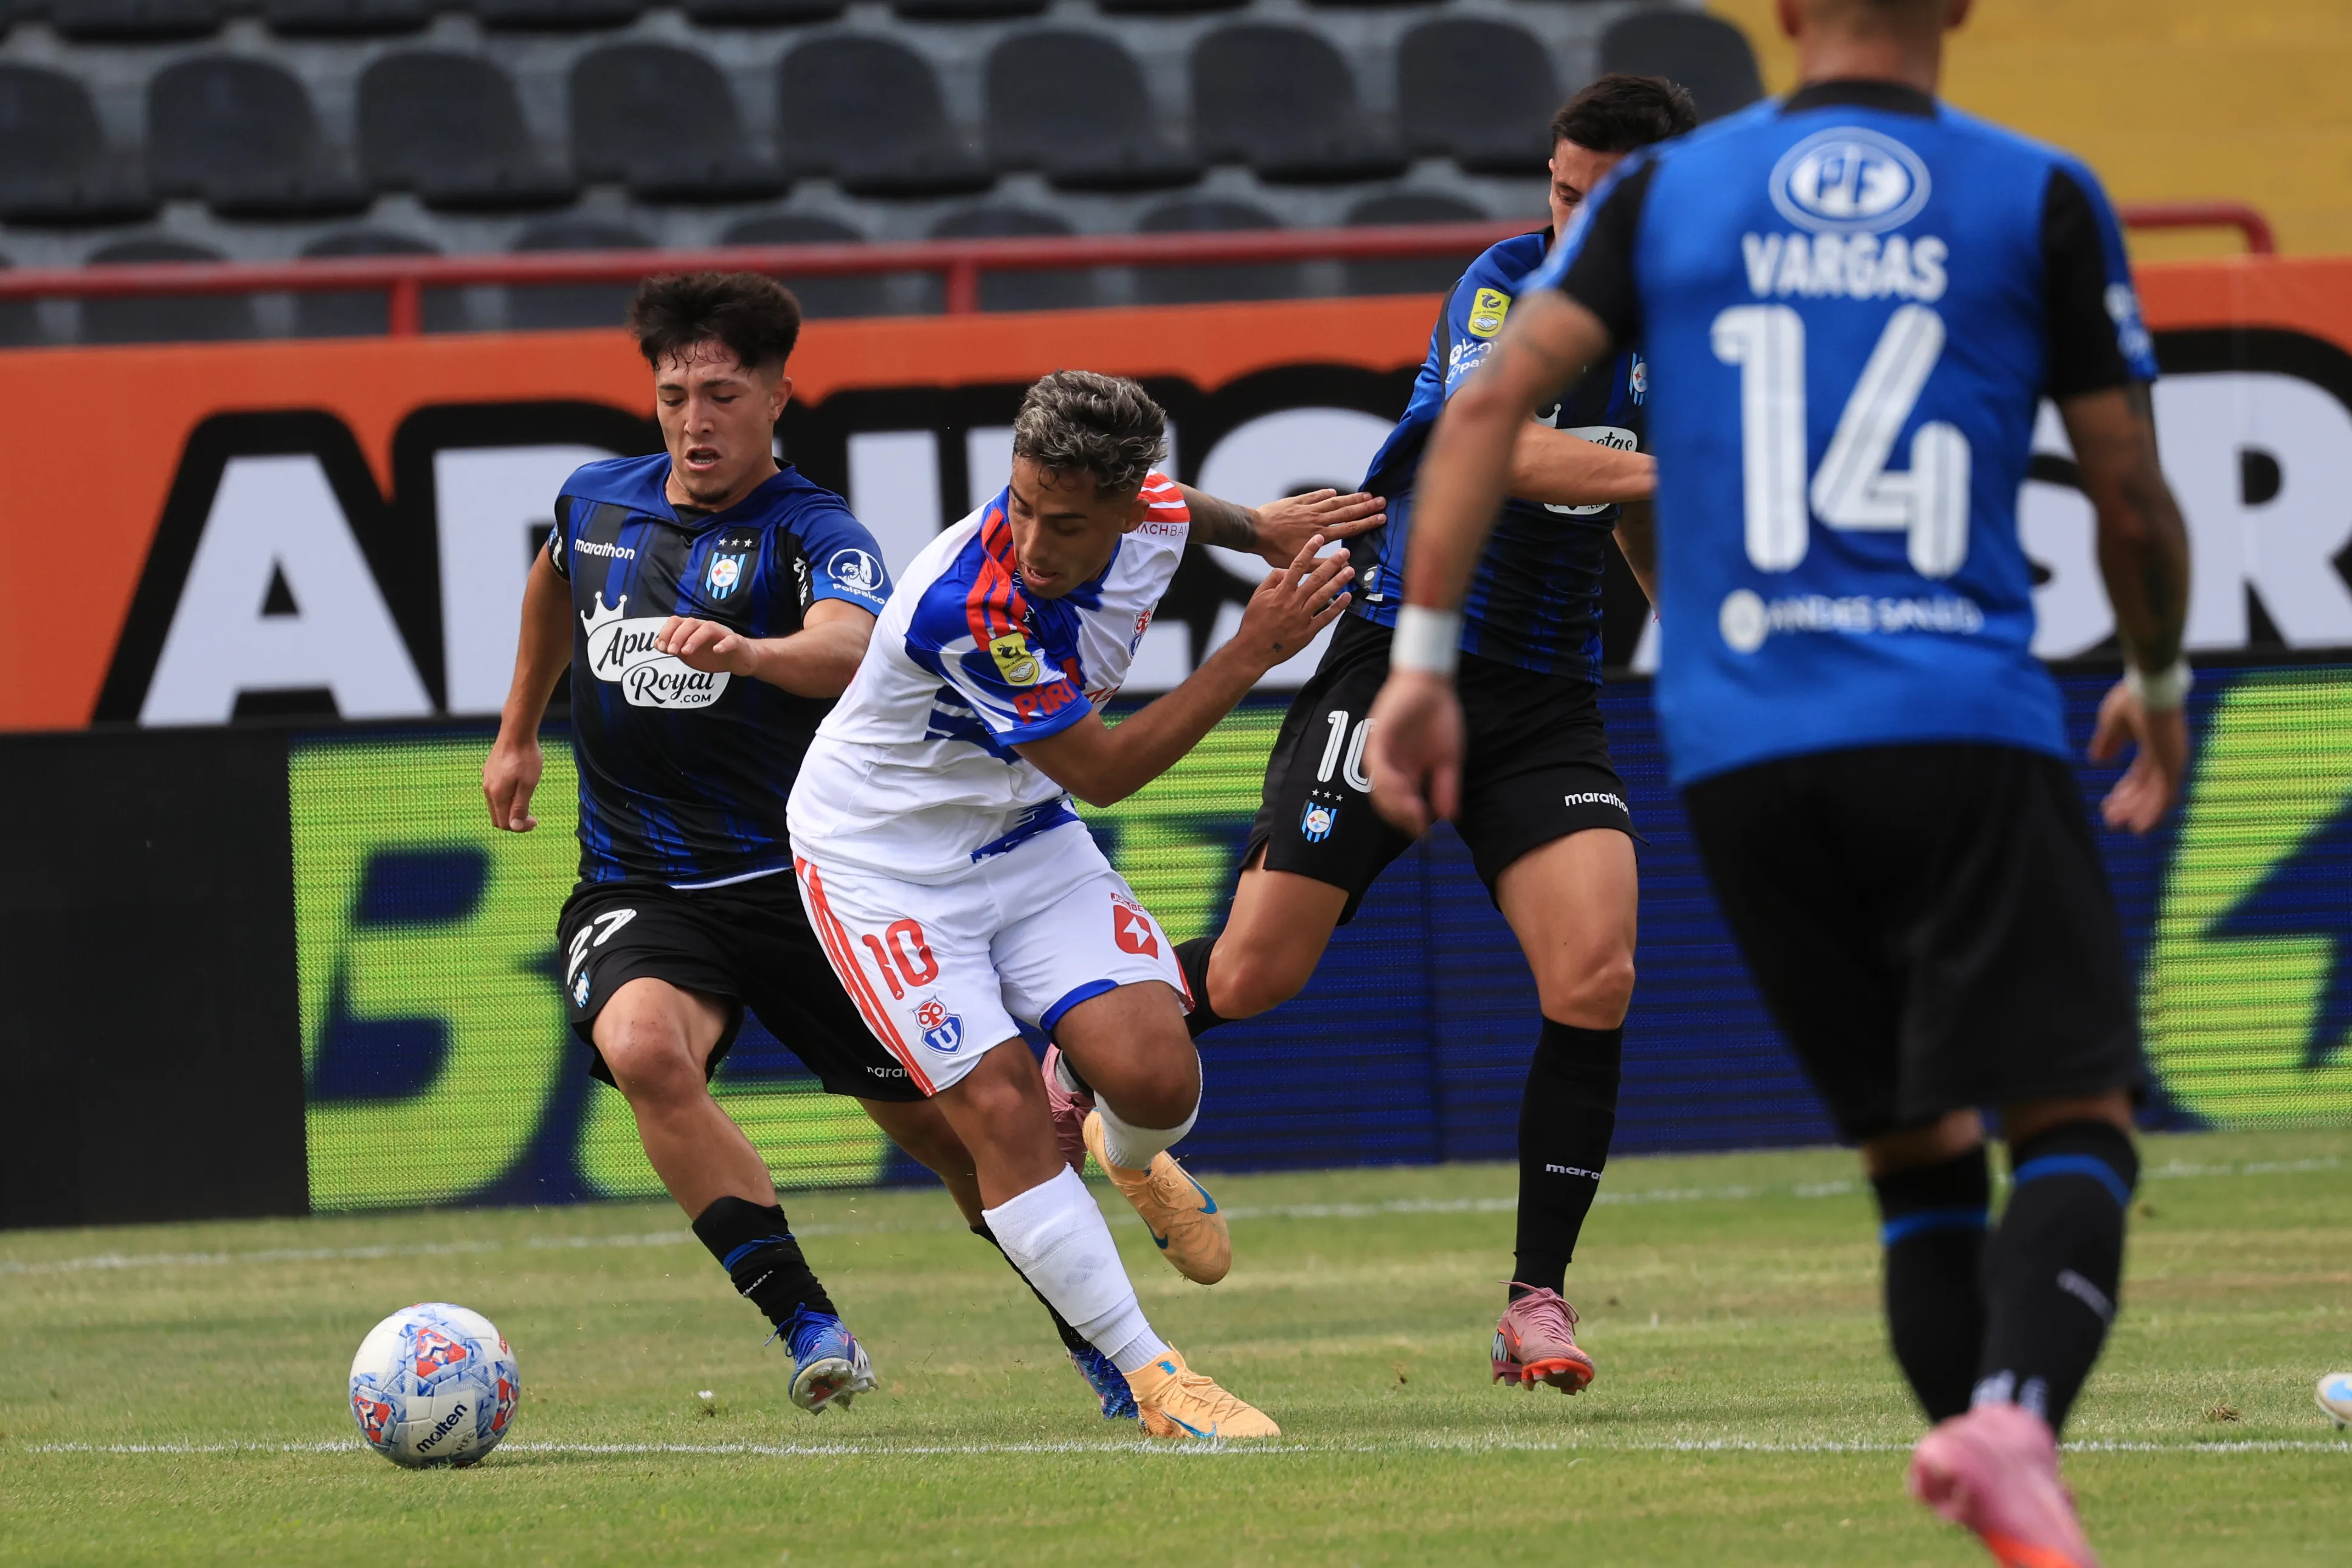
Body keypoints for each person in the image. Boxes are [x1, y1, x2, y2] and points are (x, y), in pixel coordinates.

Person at [1365, 0, 2192, 1559]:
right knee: (2070, 1110)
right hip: (1958, 713)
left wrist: (1415, 664)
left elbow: (1476, 415)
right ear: (1955, 11)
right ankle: (2014, 1412)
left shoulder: (1667, 199)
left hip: (1747, 753)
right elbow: (2129, 494)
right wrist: (2153, 685)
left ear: (1785, 17)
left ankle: (1996, 1488)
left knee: (1912, 1148)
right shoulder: (2034, 190)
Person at [1112, 73, 1697, 1400]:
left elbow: (1618, 510)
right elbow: (1510, 454)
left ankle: (1531, 1303)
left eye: (1598, 205)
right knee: (1258, 974)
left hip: (1546, 693)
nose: (1567, 223)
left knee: (1593, 973)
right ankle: (1078, 1049)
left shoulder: (1698, 321)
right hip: (1401, 659)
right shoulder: (1503, 287)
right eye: (1558, 192)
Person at [483, 272, 1137, 1420]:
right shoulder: (593, 500)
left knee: (964, 1142)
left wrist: (748, 651)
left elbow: (853, 643)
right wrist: (517, 732)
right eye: (675, 392)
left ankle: (1106, 1343)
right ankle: (807, 1321)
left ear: (781, 395)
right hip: (644, 886)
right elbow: (551, 584)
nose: (695, 419)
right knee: (642, 1050)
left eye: (723, 394)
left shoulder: (812, 528)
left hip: (815, 886)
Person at [788, 370, 1368, 1440]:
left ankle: (1131, 1150)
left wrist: (1260, 525)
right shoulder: (972, 602)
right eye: (1018, 503)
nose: (1031, 535)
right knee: (1002, 1112)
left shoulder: (1147, 508)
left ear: (1119, 503)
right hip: (886, 868)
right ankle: (1158, 1379)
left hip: (1022, 834)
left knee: (1156, 1075)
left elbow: (1178, 504)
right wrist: (1251, 651)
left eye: (1063, 520)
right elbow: (1103, 772)